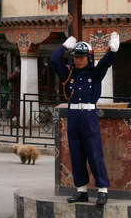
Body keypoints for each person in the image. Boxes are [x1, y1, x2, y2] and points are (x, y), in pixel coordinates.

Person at [50, 32, 120, 206]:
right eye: (75, 57)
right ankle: (81, 190)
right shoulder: (69, 74)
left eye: (81, 57)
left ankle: (102, 189)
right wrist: (65, 47)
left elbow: (106, 63)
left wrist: (112, 50)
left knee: (94, 153)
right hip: (73, 116)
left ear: (88, 58)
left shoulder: (95, 74)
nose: (77, 60)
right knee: (76, 154)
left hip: (89, 115)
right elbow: (54, 61)